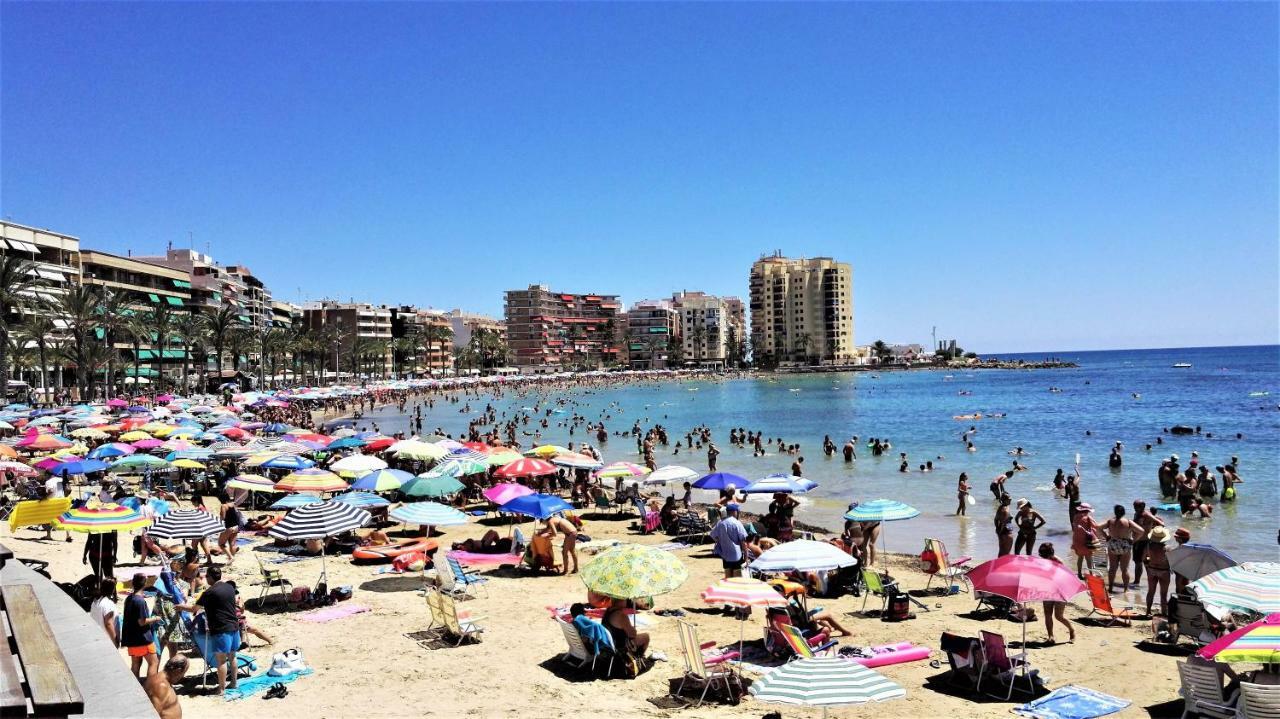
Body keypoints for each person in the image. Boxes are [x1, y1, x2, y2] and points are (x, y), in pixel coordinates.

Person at [175, 566, 239, 695]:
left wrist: (181, 607)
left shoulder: (209, 593)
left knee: (221, 660)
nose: (205, 579)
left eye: (206, 577)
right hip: (234, 626)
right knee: (232, 657)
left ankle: (221, 689)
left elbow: (194, 609)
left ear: (210, 577)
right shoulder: (230, 588)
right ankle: (233, 683)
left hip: (221, 629)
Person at [123, 573, 162, 679]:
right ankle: (150, 687)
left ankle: (136, 688)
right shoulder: (140, 601)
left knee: (135, 665)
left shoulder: (129, 599)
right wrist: (155, 618)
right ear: (144, 583)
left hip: (131, 638)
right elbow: (142, 622)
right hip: (142, 639)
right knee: (154, 662)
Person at [1037, 543, 1075, 643]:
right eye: (1042, 556)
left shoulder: (1058, 562)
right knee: (1048, 614)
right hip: (1047, 590)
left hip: (1060, 590)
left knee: (1059, 616)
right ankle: (1051, 636)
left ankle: (1071, 630)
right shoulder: (1041, 561)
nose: (1044, 558)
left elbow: (1063, 577)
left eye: (1046, 556)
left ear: (1051, 554)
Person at [1101, 504, 1142, 593]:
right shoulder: (1128, 522)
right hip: (1125, 545)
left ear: (1115, 512)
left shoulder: (1110, 521)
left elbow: (1098, 527)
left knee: (1112, 568)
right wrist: (1133, 540)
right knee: (1125, 569)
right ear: (1123, 512)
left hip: (1113, 544)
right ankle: (1126, 589)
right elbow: (1141, 531)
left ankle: (1110, 588)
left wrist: (1106, 536)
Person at [603, 597, 650, 670]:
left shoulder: (608, 611)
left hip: (608, 645)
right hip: (620, 648)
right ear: (621, 601)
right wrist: (633, 629)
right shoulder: (621, 616)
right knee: (646, 637)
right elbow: (632, 634)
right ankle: (638, 659)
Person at [709, 503, 748, 579]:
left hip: (725, 554)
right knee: (737, 579)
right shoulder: (737, 523)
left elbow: (713, 535)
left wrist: (721, 541)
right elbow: (743, 542)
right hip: (737, 555)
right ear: (734, 512)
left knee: (728, 577)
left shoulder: (720, 522)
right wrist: (746, 558)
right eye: (737, 511)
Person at [144, 655, 188, 719]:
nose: (182, 676)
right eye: (183, 673)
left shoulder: (163, 680)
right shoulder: (161, 686)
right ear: (178, 671)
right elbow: (154, 715)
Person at [1131, 500, 1164, 587]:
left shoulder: (1147, 515)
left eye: (1136, 506)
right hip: (1137, 541)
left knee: (1141, 562)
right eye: (1134, 506)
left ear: (1142, 506)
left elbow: (1161, 523)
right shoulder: (1136, 514)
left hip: (1144, 542)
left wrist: (1154, 534)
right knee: (1141, 562)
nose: (1134, 508)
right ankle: (1141, 581)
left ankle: (1137, 582)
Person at [1143, 526, 1171, 616]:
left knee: (1151, 591)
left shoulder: (1148, 546)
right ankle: (1164, 613)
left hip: (1152, 569)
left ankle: (1148, 611)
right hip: (1164, 571)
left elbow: (1145, 558)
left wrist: (1148, 564)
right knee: (1163, 594)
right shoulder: (1168, 548)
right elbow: (1171, 561)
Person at [1071, 503, 1100, 578]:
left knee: (1080, 557)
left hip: (1077, 541)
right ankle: (1091, 574)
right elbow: (1096, 526)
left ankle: (1079, 574)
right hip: (1085, 541)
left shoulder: (1075, 517)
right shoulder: (1088, 518)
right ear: (1087, 511)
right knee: (1089, 558)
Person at [89, 577, 118, 645]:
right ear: (113, 589)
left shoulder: (95, 601)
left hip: (97, 637)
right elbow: (108, 624)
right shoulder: (108, 604)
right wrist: (115, 641)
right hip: (107, 640)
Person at [217, 491, 241, 566]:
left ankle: (230, 557)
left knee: (221, 543)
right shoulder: (232, 504)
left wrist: (220, 516)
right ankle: (231, 561)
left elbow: (223, 517)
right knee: (232, 544)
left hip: (229, 527)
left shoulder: (223, 506)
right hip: (236, 526)